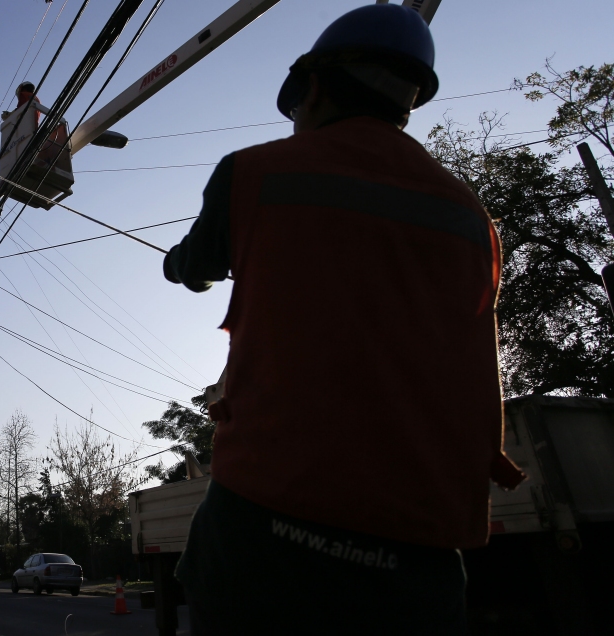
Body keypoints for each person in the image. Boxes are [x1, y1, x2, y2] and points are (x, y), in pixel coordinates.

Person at [162, 5, 524, 633]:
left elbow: (193, 267)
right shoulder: (472, 216)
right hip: (423, 546)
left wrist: (185, 264)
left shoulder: (253, 172)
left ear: (315, 84)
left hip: (266, 520)